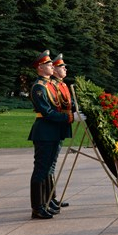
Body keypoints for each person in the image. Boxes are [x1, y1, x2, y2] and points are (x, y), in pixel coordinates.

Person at [28, 50, 73, 219]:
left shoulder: (50, 85)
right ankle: (37, 207)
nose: (51, 67)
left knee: (48, 168)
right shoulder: (38, 87)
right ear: (40, 67)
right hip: (44, 132)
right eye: (48, 65)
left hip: (52, 132)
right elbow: (46, 112)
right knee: (41, 170)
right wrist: (67, 117)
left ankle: (47, 201)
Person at [48, 53, 76, 208]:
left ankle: (51, 198)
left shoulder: (63, 85)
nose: (65, 68)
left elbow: (68, 104)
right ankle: (49, 199)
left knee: (52, 164)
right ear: (54, 70)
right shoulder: (53, 85)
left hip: (61, 127)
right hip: (56, 126)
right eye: (61, 66)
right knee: (50, 165)